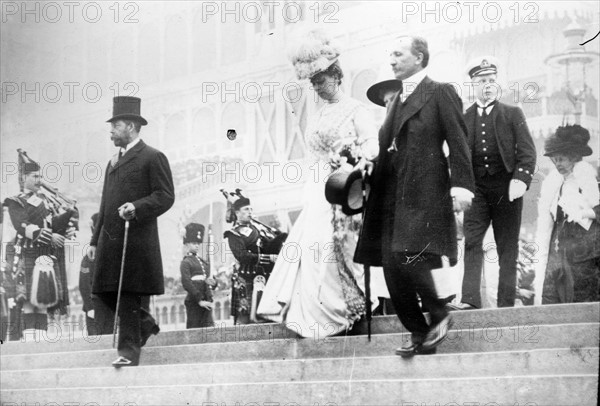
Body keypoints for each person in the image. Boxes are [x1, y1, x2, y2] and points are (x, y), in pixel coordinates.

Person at [354, 35, 475, 357]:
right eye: (389, 54)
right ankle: (420, 333)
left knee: (410, 255)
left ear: (419, 57)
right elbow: (384, 145)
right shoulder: (394, 98)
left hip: (425, 188)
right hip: (389, 190)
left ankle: (440, 313)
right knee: (391, 264)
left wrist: (462, 186)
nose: (391, 60)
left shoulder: (440, 92)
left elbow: (459, 142)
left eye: (398, 54)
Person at [257, 30, 379, 339]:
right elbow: (313, 156)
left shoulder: (356, 110)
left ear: (337, 77)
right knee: (311, 250)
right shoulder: (319, 116)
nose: (319, 88)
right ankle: (313, 316)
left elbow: (372, 146)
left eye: (322, 81)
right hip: (318, 190)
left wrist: (353, 160)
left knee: (333, 248)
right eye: (314, 84)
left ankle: (346, 310)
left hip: (345, 187)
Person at [88, 96, 175, 368]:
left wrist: (136, 207)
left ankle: (128, 352)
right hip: (109, 241)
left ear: (131, 126)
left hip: (136, 240)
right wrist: (94, 240)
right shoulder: (112, 162)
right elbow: (104, 204)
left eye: (115, 126)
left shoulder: (153, 157)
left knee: (127, 295)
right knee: (102, 292)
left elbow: (165, 196)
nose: (111, 131)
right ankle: (146, 324)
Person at [450, 57, 537, 310]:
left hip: (506, 188)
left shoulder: (512, 113)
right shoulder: (463, 117)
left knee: (507, 249)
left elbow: (528, 152)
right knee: (472, 243)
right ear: (473, 85)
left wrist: (521, 178)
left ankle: (506, 304)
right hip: (476, 190)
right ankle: (469, 300)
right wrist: (459, 188)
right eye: (482, 81)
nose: (488, 85)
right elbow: (456, 157)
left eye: (491, 80)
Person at [3, 161, 74, 340]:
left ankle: (41, 343)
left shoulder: (47, 201)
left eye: (40, 176)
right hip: (26, 254)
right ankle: (29, 344)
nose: (39, 180)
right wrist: (49, 236)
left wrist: (66, 220)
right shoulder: (15, 201)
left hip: (45, 256)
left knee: (42, 301)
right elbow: (23, 226)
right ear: (23, 178)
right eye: (35, 176)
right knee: (27, 301)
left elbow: (54, 224)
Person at [533, 124, 599, 304]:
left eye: (561, 159)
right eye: (555, 161)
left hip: (584, 252)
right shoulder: (554, 184)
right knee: (551, 296)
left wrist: (583, 213)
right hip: (558, 250)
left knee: (582, 298)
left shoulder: (587, 180)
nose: (558, 164)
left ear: (573, 157)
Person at [225, 196, 279, 325]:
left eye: (251, 209)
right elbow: (242, 256)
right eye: (246, 209)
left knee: (264, 316)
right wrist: (268, 258)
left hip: (264, 277)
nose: (250, 212)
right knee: (245, 316)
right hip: (246, 278)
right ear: (237, 213)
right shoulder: (233, 233)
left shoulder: (259, 229)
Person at [79, 213, 115, 335]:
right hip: (94, 308)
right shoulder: (89, 257)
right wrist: (90, 307)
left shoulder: (112, 254)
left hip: (110, 307)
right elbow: (84, 284)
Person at [180, 222, 215, 328]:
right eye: (193, 243)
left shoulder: (203, 262)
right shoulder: (186, 262)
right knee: (195, 333)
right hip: (194, 302)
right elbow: (187, 283)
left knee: (209, 333)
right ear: (186, 244)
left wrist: (214, 282)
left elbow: (211, 279)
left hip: (207, 301)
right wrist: (199, 300)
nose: (196, 245)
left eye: (198, 243)